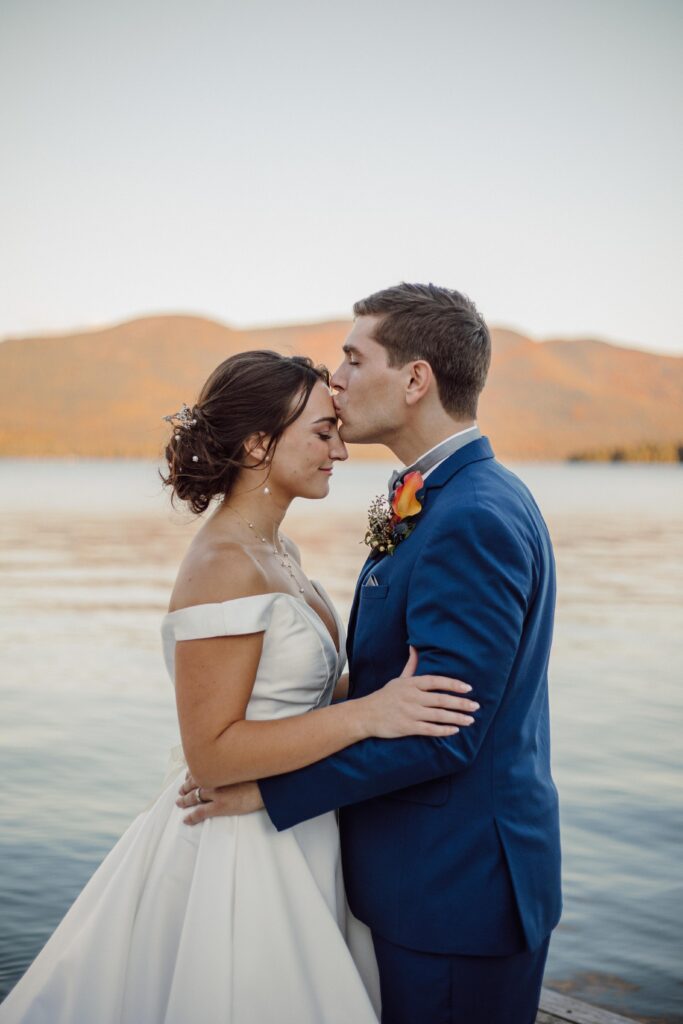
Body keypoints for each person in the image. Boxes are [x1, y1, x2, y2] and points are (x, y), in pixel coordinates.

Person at [0, 349, 478, 1024]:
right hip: (236, 848)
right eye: (322, 432)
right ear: (258, 443)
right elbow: (213, 755)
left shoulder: (277, 550)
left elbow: (290, 696)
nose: (340, 451)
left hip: (298, 823)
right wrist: (369, 714)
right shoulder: (222, 563)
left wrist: (374, 692)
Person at [179, 284, 562, 1024]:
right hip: (425, 878)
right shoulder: (452, 497)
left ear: (415, 379)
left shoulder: (470, 517)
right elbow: (398, 689)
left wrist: (266, 795)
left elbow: (443, 727)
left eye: (354, 360)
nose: (337, 380)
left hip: (451, 888)